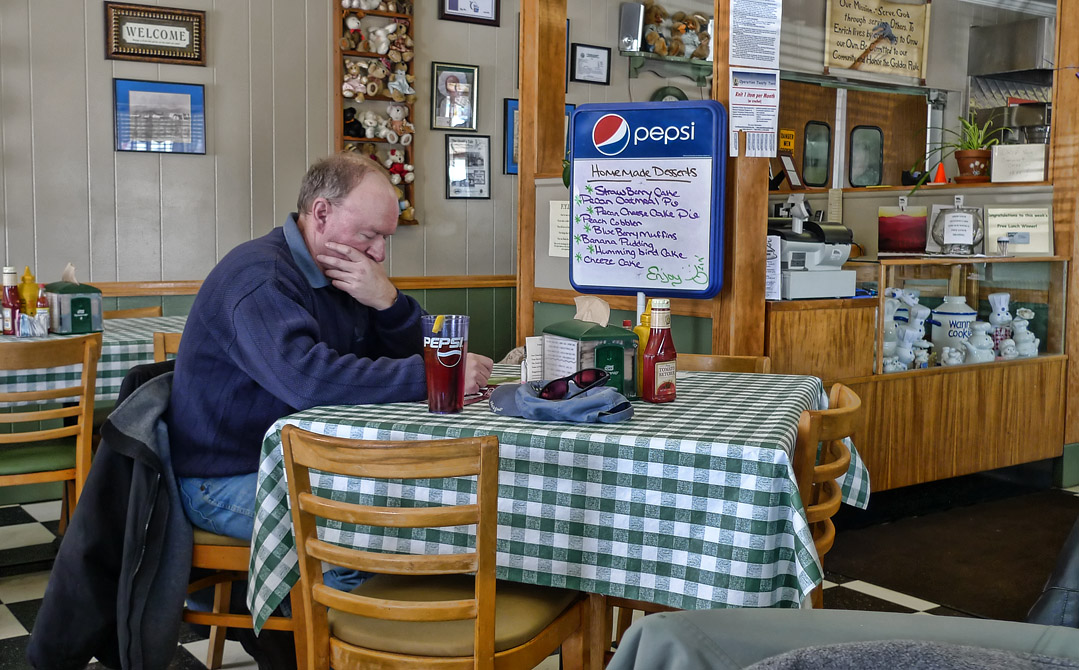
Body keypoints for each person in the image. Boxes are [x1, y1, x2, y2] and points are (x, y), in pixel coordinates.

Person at [167, 153, 493, 585]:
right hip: (225, 478)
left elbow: (408, 350)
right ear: (321, 213)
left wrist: (389, 303)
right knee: (363, 533)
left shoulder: (345, 271)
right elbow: (309, 380)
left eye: (385, 239)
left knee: (427, 510)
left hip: (302, 460)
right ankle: (342, 646)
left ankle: (393, 636)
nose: (378, 252)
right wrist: (432, 377)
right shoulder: (260, 277)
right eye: (369, 235)